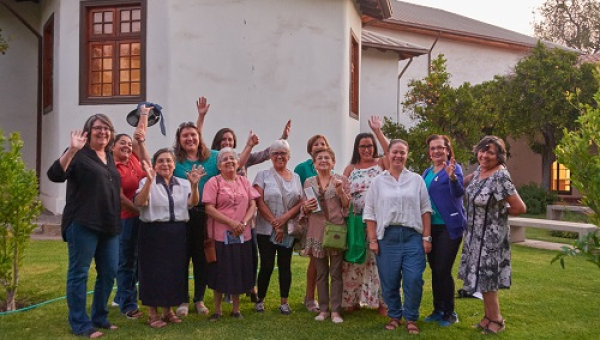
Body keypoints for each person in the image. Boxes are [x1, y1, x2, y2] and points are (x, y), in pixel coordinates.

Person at [174, 97, 259, 316]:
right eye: (185, 136)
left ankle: (199, 299)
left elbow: (235, 160)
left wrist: (249, 145)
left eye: (193, 135)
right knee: (183, 256)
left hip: (206, 215)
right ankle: (182, 300)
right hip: (183, 214)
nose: (190, 139)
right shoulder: (175, 159)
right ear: (179, 140)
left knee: (204, 256)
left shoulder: (211, 157)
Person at [47, 114, 121, 338]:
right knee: (79, 273)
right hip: (83, 222)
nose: (103, 132)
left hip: (109, 225)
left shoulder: (109, 156)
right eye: (98, 128)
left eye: (106, 128)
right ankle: (80, 323)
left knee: (109, 273)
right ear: (88, 132)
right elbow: (55, 175)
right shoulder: (78, 154)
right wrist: (71, 150)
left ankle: (99, 316)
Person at [209, 119, 291, 303]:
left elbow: (266, 154)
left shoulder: (241, 157)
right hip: (224, 218)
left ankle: (250, 287)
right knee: (227, 255)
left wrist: (283, 138)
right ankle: (228, 292)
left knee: (250, 254)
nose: (227, 143)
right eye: (223, 140)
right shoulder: (218, 160)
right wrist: (248, 145)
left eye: (230, 140)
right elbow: (239, 162)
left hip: (246, 218)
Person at [363, 139, 432, 335]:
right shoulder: (378, 182)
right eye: (395, 152)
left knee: (414, 279)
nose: (398, 156)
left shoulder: (416, 180)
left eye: (402, 152)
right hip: (387, 238)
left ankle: (411, 317)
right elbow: (369, 213)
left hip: (412, 238)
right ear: (388, 154)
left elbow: (425, 210)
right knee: (389, 280)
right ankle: (394, 316)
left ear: (406, 155)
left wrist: (427, 238)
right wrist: (373, 240)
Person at [458, 136, 526, 334]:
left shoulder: (500, 176)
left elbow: (519, 207)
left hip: (490, 238)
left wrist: (497, 213)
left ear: (499, 156)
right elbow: (464, 186)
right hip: (474, 235)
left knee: (488, 279)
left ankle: (496, 319)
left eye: (490, 152)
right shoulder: (480, 171)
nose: (484, 155)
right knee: (480, 278)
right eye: (482, 150)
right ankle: (487, 317)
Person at [134, 148, 202, 328]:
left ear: (174, 164)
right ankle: (153, 314)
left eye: (168, 161)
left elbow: (192, 203)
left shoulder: (183, 183)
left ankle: (168, 311)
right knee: (153, 272)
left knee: (174, 272)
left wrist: (194, 185)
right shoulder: (146, 181)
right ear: (155, 165)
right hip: (153, 231)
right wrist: (149, 181)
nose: (165, 164)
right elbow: (140, 203)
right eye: (161, 161)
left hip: (177, 231)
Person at [203, 148, 261, 321]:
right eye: (225, 159)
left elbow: (253, 205)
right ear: (219, 166)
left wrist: (243, 223)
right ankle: (218, 309)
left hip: (243, 234)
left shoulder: (244, 181)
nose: (229, 161)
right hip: (221, 235)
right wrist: (231, 223)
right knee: (220, 271)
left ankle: (236, 309)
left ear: (238, 163)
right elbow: (209, 208)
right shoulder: (214, 182)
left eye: (232, 158)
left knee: (238, 269)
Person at [341, 116, 389, 315]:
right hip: (355, 220)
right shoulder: (350, 168)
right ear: (357, 148)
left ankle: (382, 302)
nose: (367, 149)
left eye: (369, 146)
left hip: (379, 220)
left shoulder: (381, 163)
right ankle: (351, 300)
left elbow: (391, 151)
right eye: (362, 146)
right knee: (354, 259)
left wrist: (378, 131)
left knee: (379, 261)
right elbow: (343, 192)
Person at [253, 140, 303, 315]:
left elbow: (301, 202)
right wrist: (275, 222)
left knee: (285, 264)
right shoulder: (262, 175)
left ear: (289, 156)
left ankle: (284, 302)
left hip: (288, 228)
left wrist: (285, 219)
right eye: (275, 153)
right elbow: (258, 200)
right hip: (265, 229)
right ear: (270, 156)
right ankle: (260, 300)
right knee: (266, 264)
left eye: (283, 153)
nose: (279, 156)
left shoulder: (296, 177)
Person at [111, 105, 152, 320]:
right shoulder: (113, 167)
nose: (127, 146)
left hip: (141, 218)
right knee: (126, 261)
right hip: (126, 219)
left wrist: (143, 115)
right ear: (112, 147)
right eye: (122, 143)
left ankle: (120, 295)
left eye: (128, 144)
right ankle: (128, 305)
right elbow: (119, 199)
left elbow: (139, 138)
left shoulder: (134, 159)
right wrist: (140, 210)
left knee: (138, 261)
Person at [421, 134, 466, 327]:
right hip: (431, 227)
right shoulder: (426, 172)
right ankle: (437, 309)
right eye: (433, 148)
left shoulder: (454, 169)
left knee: (443, 269)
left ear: (447, 150)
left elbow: (458, 192)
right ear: (429, 152)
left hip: (449, 226)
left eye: (440, 148)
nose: (437, 151)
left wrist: (453, 178)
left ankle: (450, 313)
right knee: (434, 269)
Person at [302, 146, 350, 324]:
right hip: (316, 231)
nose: (323, 161)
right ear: (314, 163)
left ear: (333, 162)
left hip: (336, 231)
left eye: (327, 158)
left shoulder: (341, 180)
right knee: (321, 273)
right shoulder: (308, 182)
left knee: (336, 273)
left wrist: (340, 191)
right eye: (319, 158)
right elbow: (303, 207)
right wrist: (305, 207)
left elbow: (347, 205)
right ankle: (323, 309)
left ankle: (336, 311)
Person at [294, 134, 330, 312]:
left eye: (323, 144)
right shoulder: (302, 168)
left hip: (331, 222)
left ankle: (332, 298)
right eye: (316, 144)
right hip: (312, 220)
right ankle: (310, 297)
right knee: (315, 262)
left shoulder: (329, 165)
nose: (319, 146)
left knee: (333, 262)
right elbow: (297, 193)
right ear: (310, 149)